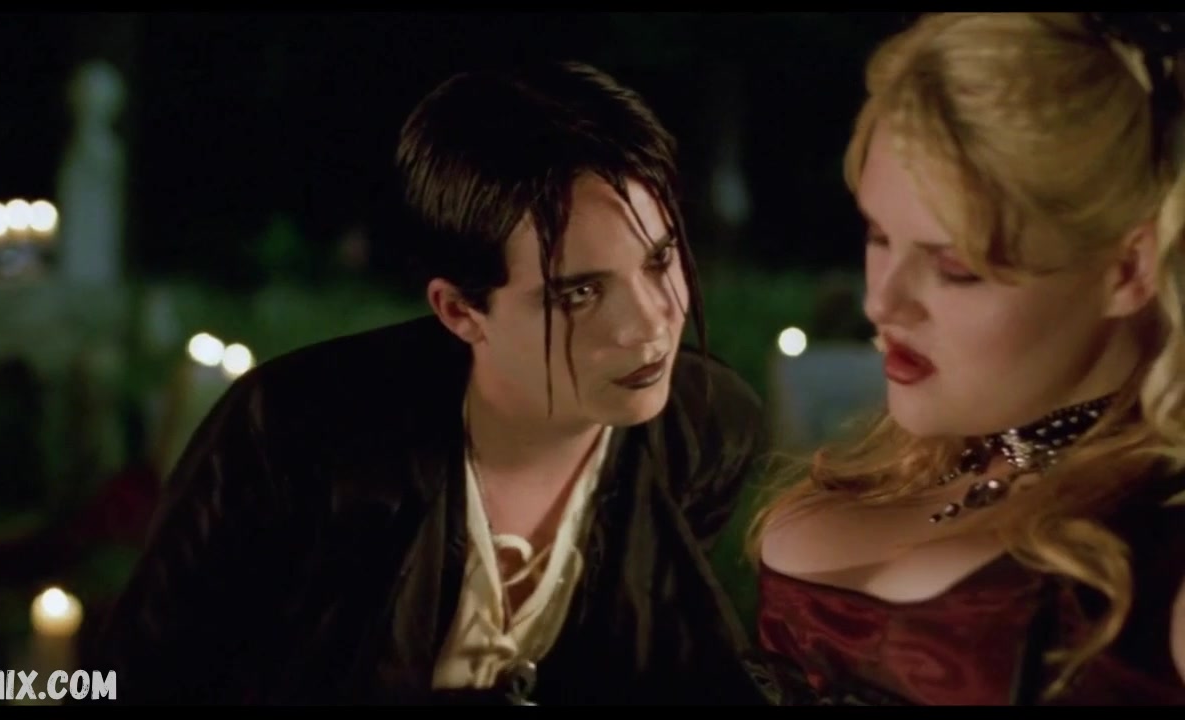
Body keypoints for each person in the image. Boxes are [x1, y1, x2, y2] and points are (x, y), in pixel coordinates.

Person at [82, 60, 769, 705]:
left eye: (659, 261)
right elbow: (143, 674)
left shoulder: (707, 428)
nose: (651, 322)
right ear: (461, 311)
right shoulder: (292, 436)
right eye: (580, 293)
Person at [743, 12, 1185, 706]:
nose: (881, 302)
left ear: (1129, 269)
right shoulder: (916, 471)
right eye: (879, 236)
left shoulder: (1155, 571)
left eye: (955, 267)